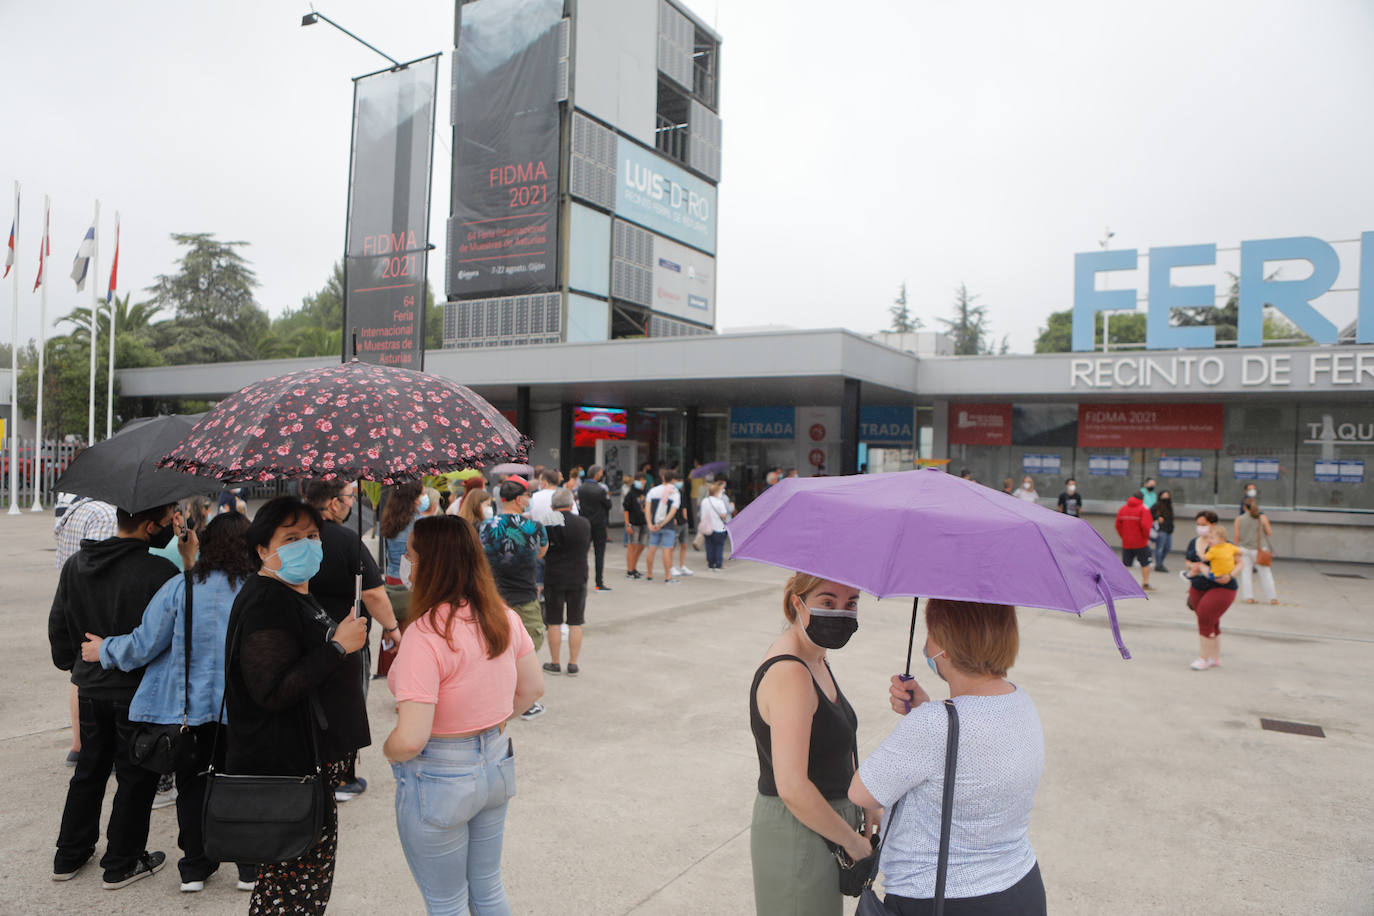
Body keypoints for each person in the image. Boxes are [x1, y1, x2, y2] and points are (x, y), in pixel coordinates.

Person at [80, 514, 259, 893]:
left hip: (186, 711)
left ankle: (195, 866)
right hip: (242, 709)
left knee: (191, 786)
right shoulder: (257, 590)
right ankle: (248, 867)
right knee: (240, 783)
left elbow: (144, 644)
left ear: (204, 544)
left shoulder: (182, 587)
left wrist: (105, 649)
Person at [385, 516, 543, 914]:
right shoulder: (502, 616)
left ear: (432, 564)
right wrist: (492, 722)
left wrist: (389, 749)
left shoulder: (425, 634)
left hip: (439, 772)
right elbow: (533, 689)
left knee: (447, 902)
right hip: (495, 759)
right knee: (488, 889)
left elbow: (411, 738)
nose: (408, 564)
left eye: (412, 556)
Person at [850, 599, 1046, 915]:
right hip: (1020, 887)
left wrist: (923, 718)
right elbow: (974, 748)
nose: (927, 645)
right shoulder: (1020, 701)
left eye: (932, 633)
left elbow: (862, 791)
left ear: (948, 647)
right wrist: (928, 708)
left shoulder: (933, 724)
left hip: (941, 899)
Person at [224, 496, 369, 914]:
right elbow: (272, 690)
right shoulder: (267, 600)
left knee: (296, 884)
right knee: (294, 888)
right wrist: (338, 647)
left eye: (312, 536)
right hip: (289, 768)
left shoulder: (295, 593)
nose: (307, 544)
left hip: (310, 766)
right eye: (291, 538)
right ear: (261, 550)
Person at [48, 502, 180, 888]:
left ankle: (69, 855)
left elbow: (59, 625)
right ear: (152, 526)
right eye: (170, 517)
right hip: (138, 691)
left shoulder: (76, 565)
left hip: (90, 684)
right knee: (135, 775)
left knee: (90, 769)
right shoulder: (161, 572)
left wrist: (76, 665)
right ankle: (121, 862)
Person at [750, 574, 869, 916]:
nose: (841, 613)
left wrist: (865, 798)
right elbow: (792, 786)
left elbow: (832, 743)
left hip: (825, 825)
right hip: (801, 831)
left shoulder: (816, 658)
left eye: (851, 603)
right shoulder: (791, 673)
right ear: (796, 602)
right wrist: (853, 843)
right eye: (828, 602)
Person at [305, 479, 403, 802]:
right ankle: (341, 778)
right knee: (347, 704)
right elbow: (374, 594)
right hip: (348, 636)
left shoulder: (294, 535)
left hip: (304, 634)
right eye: (349, 497)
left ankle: (310, 768)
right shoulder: (347, 540)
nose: (351, 503)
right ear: (333, 503)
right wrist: (391, 628)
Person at [53, 496, 120, 767]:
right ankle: (98, 747)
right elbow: (100, 560)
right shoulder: (104, 513)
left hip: (69, 590)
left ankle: (78, 745)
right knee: (97, 669)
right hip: (95, 596)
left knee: (78, 674)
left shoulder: (68, 506)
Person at [480, 477, 549, 720]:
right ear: (520, 499)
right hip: (525, 593)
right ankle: (523, 698)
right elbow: (542, 552)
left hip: (493, 596)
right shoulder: (535, 527)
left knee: (495, 644)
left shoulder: (486, 526)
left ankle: (499, 692)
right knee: (530, 643)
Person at [542, 488, 592, 675]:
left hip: (554, 575)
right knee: (575, 622)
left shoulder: (547, 523)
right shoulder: (584, 523)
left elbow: (542, 548)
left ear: (552, 506)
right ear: (572, 505)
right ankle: (573, 663)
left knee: (554, 621)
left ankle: (555, 662)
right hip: (578, 574)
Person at [378, 481, 425, 679]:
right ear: (414, 497)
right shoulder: (419, 522)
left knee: (391, 626)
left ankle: (388, 671)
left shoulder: (388, 520)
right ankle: (407, 679)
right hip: (411, 580)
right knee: (410, 633)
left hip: (391, 577)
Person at [1182, 510, 1239, 671]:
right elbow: (1188, 561)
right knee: (1211, 621)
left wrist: (1230, 575)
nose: (1200, 528)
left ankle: (1204, 658)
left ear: (1213, 525)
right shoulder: (1194, 542)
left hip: (1221, 587)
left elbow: (1240, 562)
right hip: (1198, 586)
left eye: (1204, 525)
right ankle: (1214, 657)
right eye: (1198, 524)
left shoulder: (1224, 544)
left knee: (1205, 618)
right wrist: (1192, 567)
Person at [1235, 498, 1278, 605]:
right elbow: (1269, 532)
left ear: (1244, 507)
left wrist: (1235, 551)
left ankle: (1248, 597)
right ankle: (1272, 598)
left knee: (1246, 574)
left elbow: (1237, 537)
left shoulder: (1239, 519)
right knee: (1265, 573)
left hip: (1244, 549)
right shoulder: (1262, 518)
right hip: (1260, 549)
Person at [576, 464, 612, 591]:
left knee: (582, 553)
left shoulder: (581, 488)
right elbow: (608, 504)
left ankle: (581, 581)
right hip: (599, 524)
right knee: (599, 553)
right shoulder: (600, 489)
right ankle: (599, 582)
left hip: (585, 523)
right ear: (597, 474)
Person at [644, 470, 682, 584]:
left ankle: (649, 575)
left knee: (652, 549)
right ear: (674, 480)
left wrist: (650, 524)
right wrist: (662, 523)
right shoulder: (675, 493)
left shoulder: (653, 491)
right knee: (667, 550)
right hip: (668, 526)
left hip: (653, 525)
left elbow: (647, 509)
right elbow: (672, 512)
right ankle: (667, 577)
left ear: (663, 478)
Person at [1115, 490, 1154, 590]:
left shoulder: (1123, 509)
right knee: (1145, 563)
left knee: (1125, 564)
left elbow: (1118, 525)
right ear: (1142, 498)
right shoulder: (1143, 509)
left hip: (1126, 542)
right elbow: (1146, 526)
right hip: (1140, 542)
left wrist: (1123, 536)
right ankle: (1145, 583)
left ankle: (1122, 584)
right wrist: (1145, 537)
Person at [698, 480, 732, 571]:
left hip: (707, 528)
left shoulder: (705, 501)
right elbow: (724, 515)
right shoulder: (719, 502)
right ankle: (718, 564)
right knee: (719, 546)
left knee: (709, 546)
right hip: (718, 528)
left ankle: (710, 564)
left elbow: (702, 513)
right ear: (717, 492)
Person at [623, 472, 648, 579]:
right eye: (640, 481)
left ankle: (634, 567)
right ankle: (630, 570)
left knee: (641, 546)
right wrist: (627, 524)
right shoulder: (631, 494)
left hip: (644, 522)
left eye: (643, 481)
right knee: (632, 546)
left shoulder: (644, 492)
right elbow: (626, 510)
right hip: (633, 523)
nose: (642, 483)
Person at [671, 474, 695, 577]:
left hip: (683, 522)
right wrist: (672, 519)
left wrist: (686, 519)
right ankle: (671, 567)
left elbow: (684, 506)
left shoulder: (681, 492)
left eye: (681, 480)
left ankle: (682, 566)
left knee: (684, 544)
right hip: (674, 522)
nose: (680, 483)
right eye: (678, 480)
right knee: (672, 546)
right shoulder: (670, 493)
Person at [1152, 490, 1175, 572]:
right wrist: (1157, 518)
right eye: (1164, 495)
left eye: (1167, 495)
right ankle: (1158, 565)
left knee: (1168, 547)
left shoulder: (1169, 506)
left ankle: (1160, 563)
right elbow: (1150, 515)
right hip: (1161, 530)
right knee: (1160, 547)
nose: (1166, 497)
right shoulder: (1156, 505)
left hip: (1169, 530)